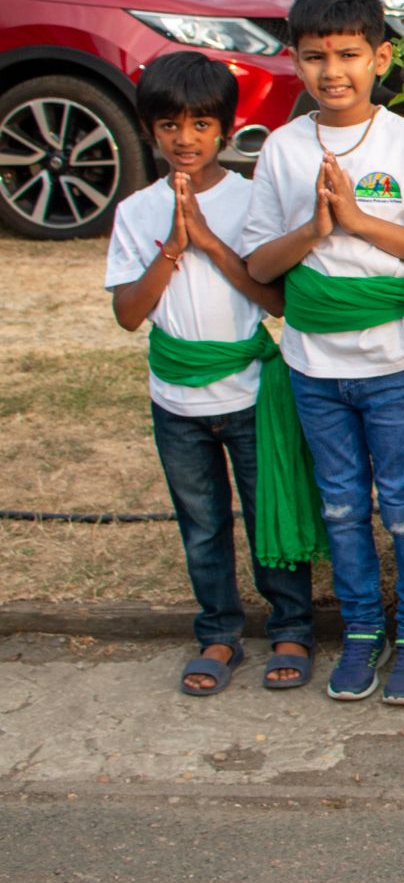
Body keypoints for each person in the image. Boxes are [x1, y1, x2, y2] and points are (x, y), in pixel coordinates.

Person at [245, 0, 404, 706]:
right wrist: (313, 229)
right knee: (341, 504)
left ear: (381, 56)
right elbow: (258, 264)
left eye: (349, 54)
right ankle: (364, 629)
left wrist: (357, 222)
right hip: (313, 362)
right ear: (293, 60)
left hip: (393, 361)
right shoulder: (283, 149)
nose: (332, 71)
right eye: (315, 56)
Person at [106, 52, 314, 696]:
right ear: (150, 130)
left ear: (226, 128)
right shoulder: (137, 212)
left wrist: (210, 241)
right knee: (201, 522)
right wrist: (172, 244)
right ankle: (219, 632)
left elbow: (277, 302)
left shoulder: (252, 200)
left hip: (248, 392)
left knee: (267, 515)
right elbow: (128, 314)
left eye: (201, 124)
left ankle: (293, 627)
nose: (185, 139)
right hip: (175, 399)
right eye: (169, 125)